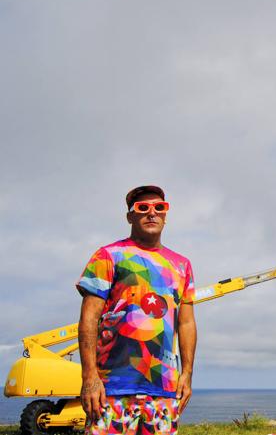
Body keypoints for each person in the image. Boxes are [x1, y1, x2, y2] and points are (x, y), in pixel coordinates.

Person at [77, 185, 197, 435]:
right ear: (130, 216)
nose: (151, 213)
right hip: (112, 388)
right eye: (143, 208)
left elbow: (186, 323)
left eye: (159, 208)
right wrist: (89, 377)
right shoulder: (108, 256)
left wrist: (187, 373)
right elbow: (90, 316)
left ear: (165, 215)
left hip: (164, 389)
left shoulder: (182, 265)